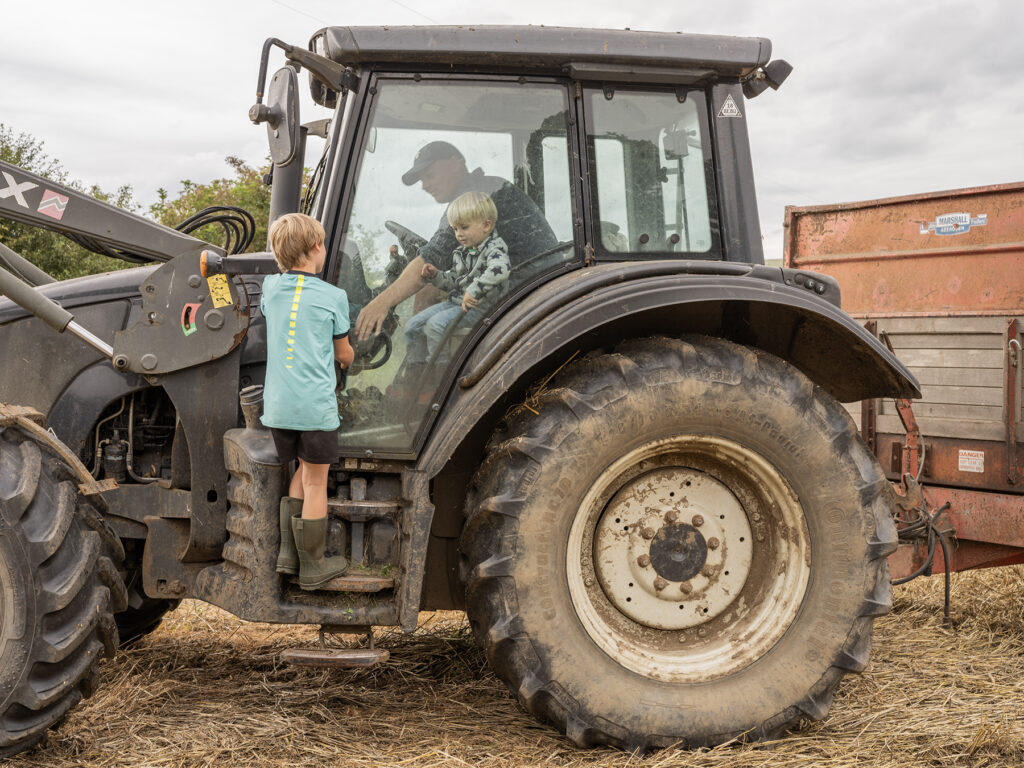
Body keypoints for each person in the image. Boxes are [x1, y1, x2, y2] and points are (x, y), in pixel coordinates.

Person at [354, 141, 557, 341]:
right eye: (422, 180)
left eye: (430, 176)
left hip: (526, 289)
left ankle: (423, 370)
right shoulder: (480, 190)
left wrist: (382, 302)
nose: (424, 186)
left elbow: (432, 256)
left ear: (455, 163)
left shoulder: (474, 198)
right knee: (433, 285)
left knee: (428, 290)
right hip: (525, 284)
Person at [261, 213, 354, 590]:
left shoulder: (270, 288)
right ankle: (313, 566)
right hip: (315, 408)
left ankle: (288, 555)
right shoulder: (333, 296)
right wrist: (348, 358)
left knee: (300, 471)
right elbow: (343, 353)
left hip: (279, 408)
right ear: (317, 247)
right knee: (317, 482)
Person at [402, 191, 509, 376]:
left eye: (464, 227)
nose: (458, 234)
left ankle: (439, 373)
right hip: (456, 303)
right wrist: (436, 276)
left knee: (435, 325)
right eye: (455, 229)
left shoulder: (495, 248)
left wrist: (474, 291)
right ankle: (415, 373)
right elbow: (454, 282)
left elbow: (500, 269)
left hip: (481, 308)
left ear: (486, 225)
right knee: (412, 325)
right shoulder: (462, 252)